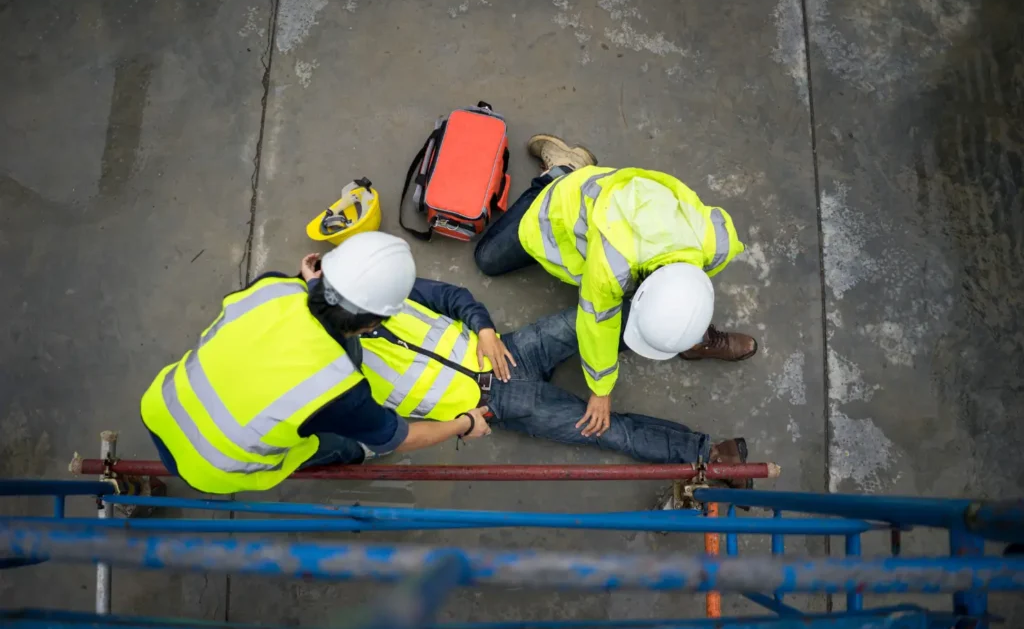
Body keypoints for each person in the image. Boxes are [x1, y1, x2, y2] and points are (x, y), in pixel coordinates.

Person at [298, 262, 751, 487]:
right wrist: (465, 424)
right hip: (498, 406)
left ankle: (688, 336)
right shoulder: (338, 381)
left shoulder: (377, 291)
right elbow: (380, 437)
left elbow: (452, 297)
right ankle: (713, 455)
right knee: (610, 431)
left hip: (511, 350)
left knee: (599, 318)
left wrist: (485, 330)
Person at [139, 232, 491, 494]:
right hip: (213, 466)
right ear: (372, 323)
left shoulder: (272, 286)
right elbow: (402, 438)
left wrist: (311, 287)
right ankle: (355, 453)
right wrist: (464, 423)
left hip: (162, 404)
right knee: (335, 442)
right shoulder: (339, 388)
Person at [474, 135, 759, 438]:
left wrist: (686, 325)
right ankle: (562, 170)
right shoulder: (610, 267)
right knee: (488, 259)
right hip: (559, 210)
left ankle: (696, 340)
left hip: (619, 210)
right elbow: (597, 325)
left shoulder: (717, 242)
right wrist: (601, 389)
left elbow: (690, 291)